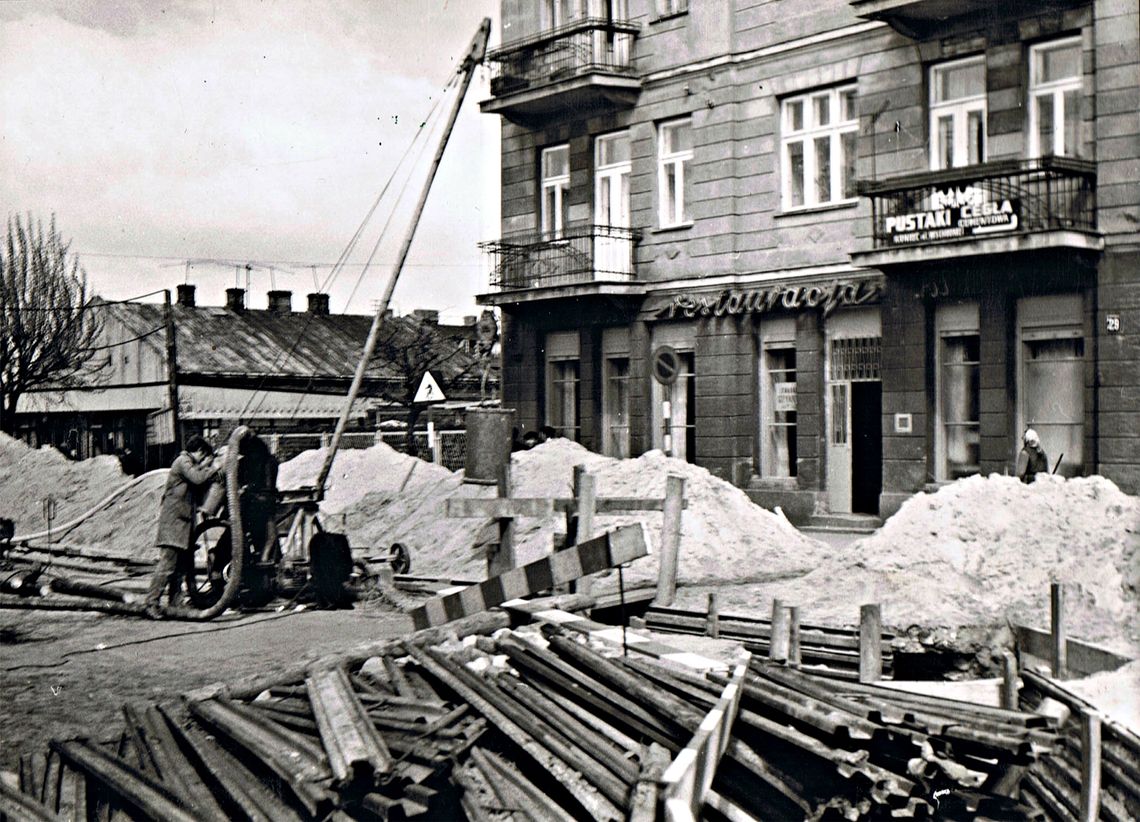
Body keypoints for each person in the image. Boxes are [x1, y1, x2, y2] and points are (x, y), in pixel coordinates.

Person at [143, 435, 221, 618]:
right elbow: (197, 478)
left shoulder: (189, 463)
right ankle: (151, 603)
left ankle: (175, 602)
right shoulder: (183, 461)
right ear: (200, 452)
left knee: (180, 567)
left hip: (183, 523)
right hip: (174, 522)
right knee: (167, 564)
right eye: (204, 456)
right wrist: (213, 467)